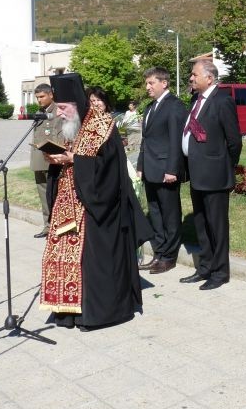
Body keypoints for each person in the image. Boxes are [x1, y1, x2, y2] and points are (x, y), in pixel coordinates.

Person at [40, 73, 153, 330]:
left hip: (99, 208)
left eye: (63, 108)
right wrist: (58, 160)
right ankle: (68, 311)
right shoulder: (73, 125)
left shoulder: (102, 126)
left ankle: (98, 313)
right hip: (70, 205)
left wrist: (74, 160)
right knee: (68, 259)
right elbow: (73, 157)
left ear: (76, 104)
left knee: (94, 262)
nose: (60, 113)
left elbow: (109, 169)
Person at [179, 59, 242, 290]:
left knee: (217, 227)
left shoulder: (222, 101)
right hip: (196, 173)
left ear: (209, 77)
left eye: (194, 74)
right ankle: (205, 267)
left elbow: (234, 141)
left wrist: (224, 166)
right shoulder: (195, 100)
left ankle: (220, 272)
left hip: (215, 175)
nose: (191, 78)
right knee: (201, 223)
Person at [136, 67, 188, 274]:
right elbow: (146, 139)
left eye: (151, 83)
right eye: (146, 83)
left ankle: (169, 256)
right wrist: (140, 165)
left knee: (170, 215)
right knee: (155, 213)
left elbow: (176, 140)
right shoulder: (150, 107)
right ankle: (158, 253)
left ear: (164, 83)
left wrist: (172, 169)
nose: (147, 87)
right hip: (150, 169)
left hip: (166, 170)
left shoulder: (174, 106)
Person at [29, 83, 64, 238]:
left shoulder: (59, 111)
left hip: (52, 160)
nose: (39, 100)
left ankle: (58, 226)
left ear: (51, 95)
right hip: (39, 159)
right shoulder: (40, 112)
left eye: (42, 96)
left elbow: (60, 136)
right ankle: (47, 226)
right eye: (37, 97)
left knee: (54, 195)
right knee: (43, 196)